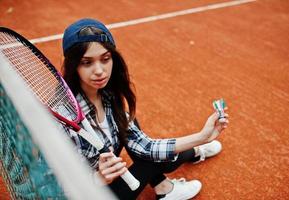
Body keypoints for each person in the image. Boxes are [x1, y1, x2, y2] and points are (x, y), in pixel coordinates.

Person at [61, 18, 229, 200]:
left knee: (131, 127)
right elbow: (51, 187)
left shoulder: (108, 95)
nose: (100, 70)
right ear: (73, 66)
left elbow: (146, 147)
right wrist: (96, 179)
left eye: (105, 59)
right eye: (87, 62)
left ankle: (173, 177)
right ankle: (176, 173)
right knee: (150, 162)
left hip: (108, 178)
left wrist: (201, 137)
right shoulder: (63, 117)